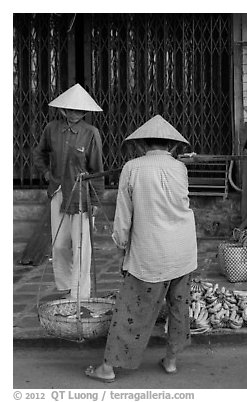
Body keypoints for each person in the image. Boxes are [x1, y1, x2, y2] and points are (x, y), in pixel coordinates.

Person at [84, 115, 198, 382]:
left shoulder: (132, 167)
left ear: (142, 144)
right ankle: (171, 360)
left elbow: (124, 214)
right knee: (179, 306)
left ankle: (108, 368)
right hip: (183, 250)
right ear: (171, 145)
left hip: (151, 253)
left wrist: (121, 242)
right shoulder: (179, 168)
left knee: (131, 310)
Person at [33, 83, 104, 300]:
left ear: (85, 112)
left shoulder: (91, 133)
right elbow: (39, 154)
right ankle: (64, 286)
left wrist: (95, 200)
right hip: (58, 192)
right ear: (63, 109)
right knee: (60, 244)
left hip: (81, 195)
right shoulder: (51, 129)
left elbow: (97, 168)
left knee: (82, 246)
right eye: (71, 110)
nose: (75, 114)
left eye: (80, 111)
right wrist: (46, 173)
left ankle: (80, 293)